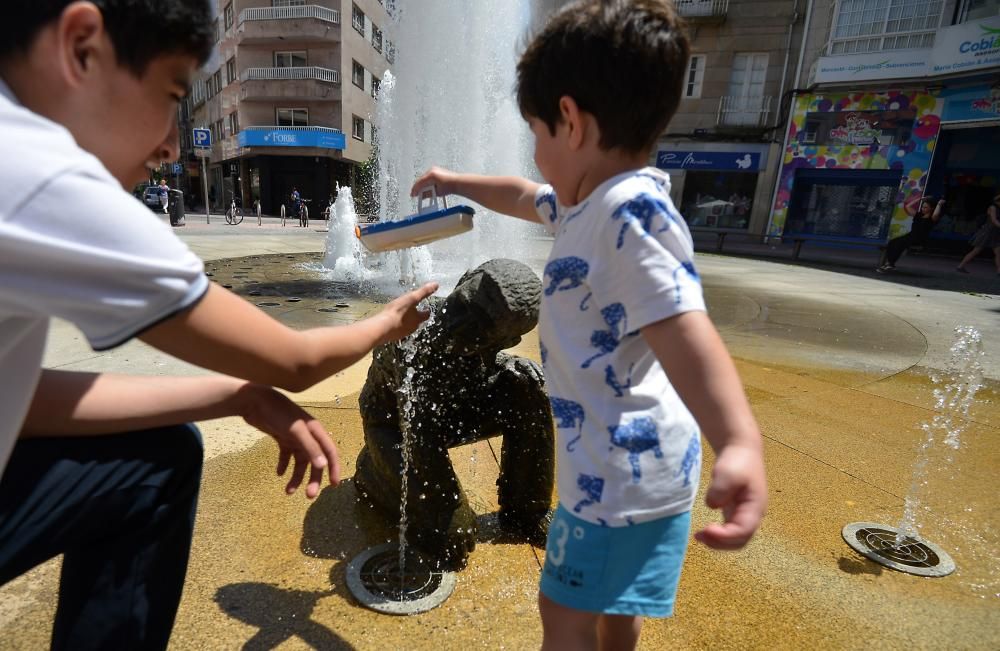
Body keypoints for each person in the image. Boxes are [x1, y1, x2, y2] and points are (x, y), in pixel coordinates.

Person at [0, 2, 436, 649]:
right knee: (157, 465)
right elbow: (292, 359)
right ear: (82, 46)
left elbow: (20, 399)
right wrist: (390, 322)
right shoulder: (37, 173)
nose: (174, 145)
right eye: (173, 92)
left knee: (156, 452)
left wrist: (237, 395)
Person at [411, 1, 767, 648]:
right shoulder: (593, 204)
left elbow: (687, 327)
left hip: (616, 481)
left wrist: (739, 439)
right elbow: (522, 193)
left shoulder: (624, 216)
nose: (536, 154)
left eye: (536, 133)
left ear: (570, 122)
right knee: (614, 606)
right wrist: (454, 180)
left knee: (562, 613)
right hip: (628, 471)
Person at [876, 194, 944, 273]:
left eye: (925, 207)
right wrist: (920, 199)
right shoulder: (918, 215)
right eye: (922, 207)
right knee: (893, 242)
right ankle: (890, 263)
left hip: (919, 239)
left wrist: (939, 204)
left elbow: (935, 214)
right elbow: (908, 207)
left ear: (932, 208)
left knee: (900, 243)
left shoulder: (932, 218)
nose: (923, 209)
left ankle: (890, 264)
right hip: (910, 236)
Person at [956, 193, 1000, 275]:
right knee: (976, 250)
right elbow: (994, 220)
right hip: (987, 231)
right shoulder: (993, 207)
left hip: (996, 233)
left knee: (998, 252)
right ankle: (960, 266)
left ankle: (999, 271)